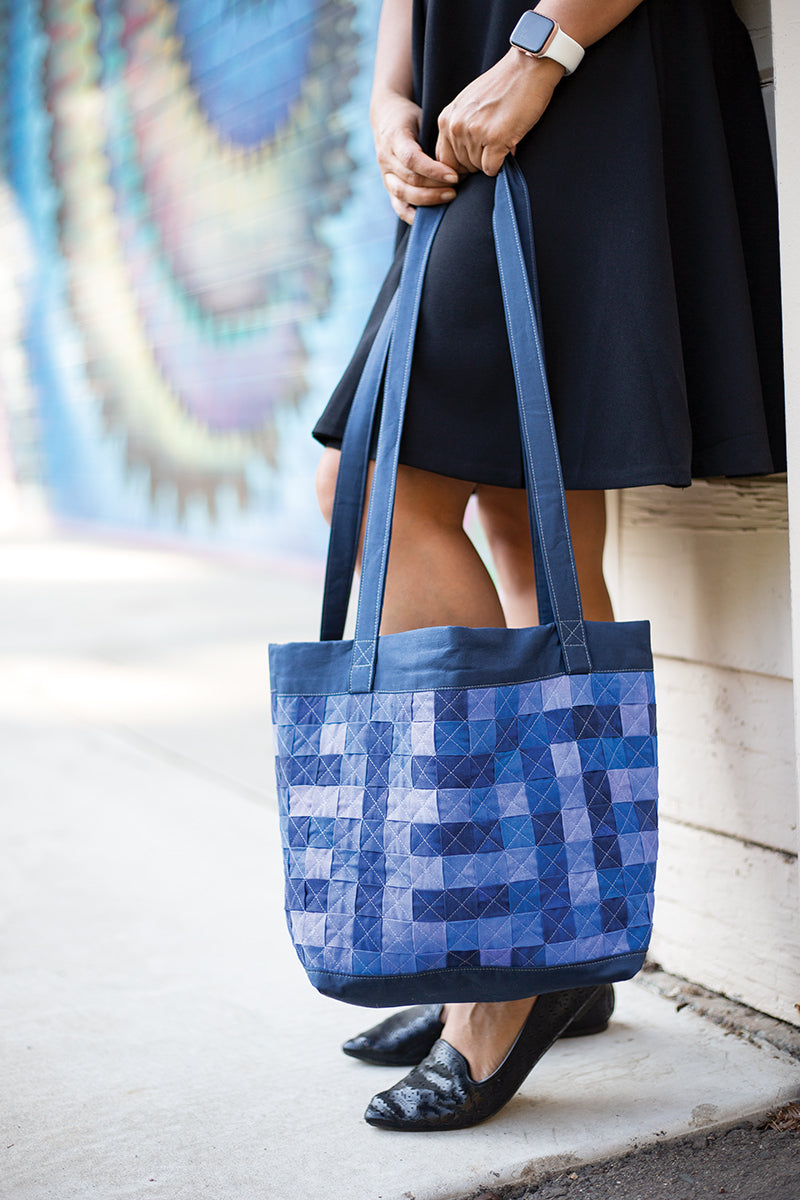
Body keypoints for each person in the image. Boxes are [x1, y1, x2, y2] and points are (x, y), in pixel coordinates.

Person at [311, 0, 785, 1131]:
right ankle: (557, 942)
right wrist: (388, 104)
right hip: (470, 93)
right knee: (533, 517)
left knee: (376, 487)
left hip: (583, 66)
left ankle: (499, 968)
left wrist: (546, 47)